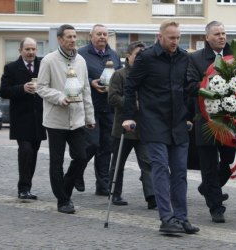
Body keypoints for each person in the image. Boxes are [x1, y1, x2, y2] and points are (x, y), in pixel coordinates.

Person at [123, 20, 199, 234]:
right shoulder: (146, 58)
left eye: (178, 38)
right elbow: (130, 87)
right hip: (153, 122)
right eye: (171, 38)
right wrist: (128, 116)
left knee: (180, 172)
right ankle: (166, 218)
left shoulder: (184, 57)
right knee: (160, 168)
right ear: (160, 37)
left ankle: (181, 218)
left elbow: (188, 88)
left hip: (178, 123)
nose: (175, 41)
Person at [37, 24, 95, 214]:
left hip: (77, 119)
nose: (72, 40)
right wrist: (60, 97)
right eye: (68, 37)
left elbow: (86, 89)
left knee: (81, 157)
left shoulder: (81, 61)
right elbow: (41, 87)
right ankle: (62, 201)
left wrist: (89, 116)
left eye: (74, 36)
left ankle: (66, 189)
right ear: (60, 39)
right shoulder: (48, 60)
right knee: (57, 161)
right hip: (56, 120)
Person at [187, 21, 236, 223]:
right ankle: (216, 207)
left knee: (229, 161)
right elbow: (189, 85)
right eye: (216, 34)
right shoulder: (196, 59)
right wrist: (211, 88)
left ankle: (208, 187)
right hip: (205, 121)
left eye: (224, 33)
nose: (221, 37)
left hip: (229, 121)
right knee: (208, 165)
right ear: (207, 37)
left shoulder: (235, 58)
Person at [107, 41, 156, 209]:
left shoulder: (148, 74)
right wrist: (131, 104)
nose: (140, 58)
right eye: (137, 55)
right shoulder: (119, 75)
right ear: (129, 56)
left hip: (143, 128)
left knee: (147, 163)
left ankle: (151, 196)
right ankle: (114, 193)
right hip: (124, 127)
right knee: (118, 163)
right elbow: (112, 97)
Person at [75, 24, 122, 196]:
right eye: (99, 34)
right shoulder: (81, 54)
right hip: (90, 106)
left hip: (109, 107)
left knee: (106, 147)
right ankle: (77, 172)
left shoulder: (114, 55)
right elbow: (74, 75)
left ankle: (103, 185)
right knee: (92, 144)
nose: (102, 37)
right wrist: (91, 81)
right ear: (91, 36)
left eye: (105, 34)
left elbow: (118, 75)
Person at [0, 37, 47, 200]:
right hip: (21, 119)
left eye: (33, 49)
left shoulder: (43, 66)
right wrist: (22, 88)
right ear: (20, 51)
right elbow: (4, 91)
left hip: (39, 118)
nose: (31, 52)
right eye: (27, 49)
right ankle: (23, 188)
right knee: (25, 150)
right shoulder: (11, 68)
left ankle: (27, 186)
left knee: (33, 153)